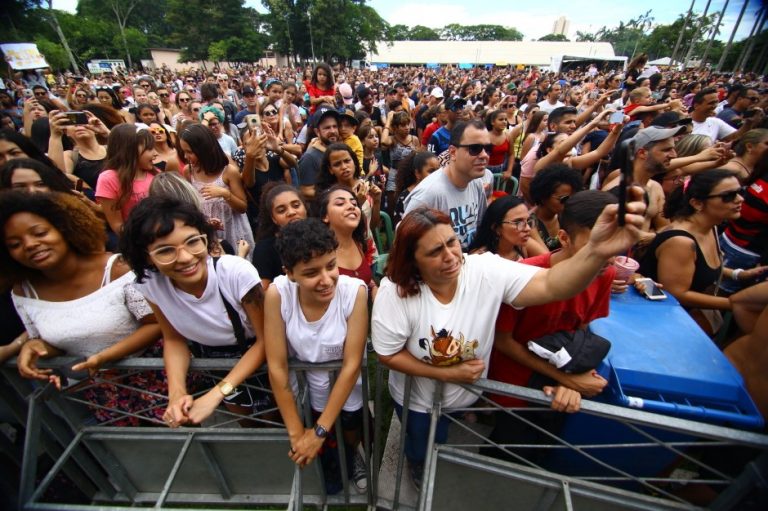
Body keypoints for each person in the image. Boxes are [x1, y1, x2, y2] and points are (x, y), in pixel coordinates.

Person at [372, 194, 646, 488]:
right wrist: (447, 373)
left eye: (452, 242)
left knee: (447, 430)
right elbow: (387, 355)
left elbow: (551, 284)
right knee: (424, 440)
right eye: (435, 251)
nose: (451, 257)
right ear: (413, 260)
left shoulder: (484, 269)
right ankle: (418, 465)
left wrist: (596, 251)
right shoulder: (396, 293)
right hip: (418, 402)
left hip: (466, 394)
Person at [3, 190, 165, 426]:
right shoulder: (23, 292)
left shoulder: (117, 269)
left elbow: (157, 324)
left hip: (155, 379)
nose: (30, 245)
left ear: (65, 228)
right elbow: (60, 340)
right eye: (15, 244)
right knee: (132, 456)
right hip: (101, 394)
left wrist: (103, 358)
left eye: (40, 233)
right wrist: (37, 346)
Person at [487, 191, 617, 459]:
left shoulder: (605, 272)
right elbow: (503, 341)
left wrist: (572, 379)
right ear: (564, 238)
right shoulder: (524, 274)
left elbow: (580, 329)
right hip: (514, 387)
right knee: (509, 453)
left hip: (556, 380)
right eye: (597, 245)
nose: (609, 255)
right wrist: (566, 379)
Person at [120, 196, 269, 427]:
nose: (186, 257)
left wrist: (217, 394)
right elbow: (173, 338)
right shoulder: (150, 284)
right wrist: (176, 392)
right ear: (146, 256)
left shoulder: (235, 273)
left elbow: (265, 341)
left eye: (192, 242)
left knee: (273, 422)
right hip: (215, 362)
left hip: (260, 361)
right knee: (247, 423)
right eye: (165, 251)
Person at [264, 218, 368, 493]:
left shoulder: (353, 292)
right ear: (290, 273)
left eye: (331, 266)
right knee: (325, 445)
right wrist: (298, 434)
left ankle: (354, 455)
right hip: (308, 390)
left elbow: (352, 364)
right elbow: (276, 365)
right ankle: (330, 467)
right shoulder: (277, 294)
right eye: (311, 273)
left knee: (348, 426)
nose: (326, 280)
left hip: (347, 389)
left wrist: (318, 432)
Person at [636, 170, 766, 336]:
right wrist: (734, 304)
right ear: (697, 203)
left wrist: (737, 274)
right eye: (728, 195)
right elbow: (677, 294)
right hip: (655, 327)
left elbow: (699, 268)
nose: (740, 199)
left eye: (740, 192)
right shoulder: (681, 242)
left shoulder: (710, 227)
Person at [404, 120, 489, 250]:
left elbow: (480, 227)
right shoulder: (428, 195)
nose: (484, 155)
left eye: (488, 148)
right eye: (475, 149)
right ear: (453, 153)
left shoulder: (476, 183)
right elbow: (405, 248)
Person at [179, 124, 254, 258]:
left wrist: (225, 194)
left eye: (189, 152)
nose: (185, 156)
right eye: (184, 151)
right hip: (210, 234)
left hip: (232, 231)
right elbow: (190, 206)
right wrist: (205, 223)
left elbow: (243, 207)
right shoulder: (188, 171)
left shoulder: (228, 171)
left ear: (203, 149)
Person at [314, 185, 378, 296]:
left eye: (354, 204)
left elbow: (364, 278)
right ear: (325, 216)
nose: (351, 207)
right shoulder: (316, 254)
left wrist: (373, 287)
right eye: (340, 203)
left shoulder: (359, 243)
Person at [95, 124, 158, 234]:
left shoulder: (155, 173)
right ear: (129, 150)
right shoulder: (108, 179)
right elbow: (117, 226)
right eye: (149, 149)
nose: (155, 153)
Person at [251, 182, 308, 289]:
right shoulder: (264, 249)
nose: (291, 212)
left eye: (296, 205)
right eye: (282, 210)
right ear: (274, 218)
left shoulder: (320, 237)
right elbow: (264, 292)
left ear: (305, 207)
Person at [316, 143, 382, 232]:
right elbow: (347, 232)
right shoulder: (331, 196)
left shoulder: (365, 186)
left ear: (354, 162)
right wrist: (357, 204)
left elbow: (372, 227)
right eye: (337, 164)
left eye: (347, 161)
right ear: (330, 169)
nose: (344, 167)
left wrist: (377, 201)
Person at [469, 195, 546, 261]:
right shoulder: (479, 258)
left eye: (528, 221)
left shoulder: (523, 245)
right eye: (518, 222)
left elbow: (549, 260)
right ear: (497, 228)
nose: (528, 228)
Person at [528, 164, 584, 251]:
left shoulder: (564, 216)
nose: (569, 202)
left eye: (572, 197)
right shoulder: (529, 222)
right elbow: (546, 258)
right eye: (564, 199)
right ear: (543, 197)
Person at [297, 106, 340, 201]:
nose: (332, 131)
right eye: (327, 128)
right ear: (317, 132)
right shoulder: (309, 158)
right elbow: (305, 190)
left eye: (335, 126)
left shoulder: (340, 150)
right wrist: (334, 194)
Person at [393, 151, 439, 226]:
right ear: (417, 173)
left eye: (438, 170)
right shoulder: (406, 198)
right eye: (431, 171)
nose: (436, 174)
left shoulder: (439, 191)